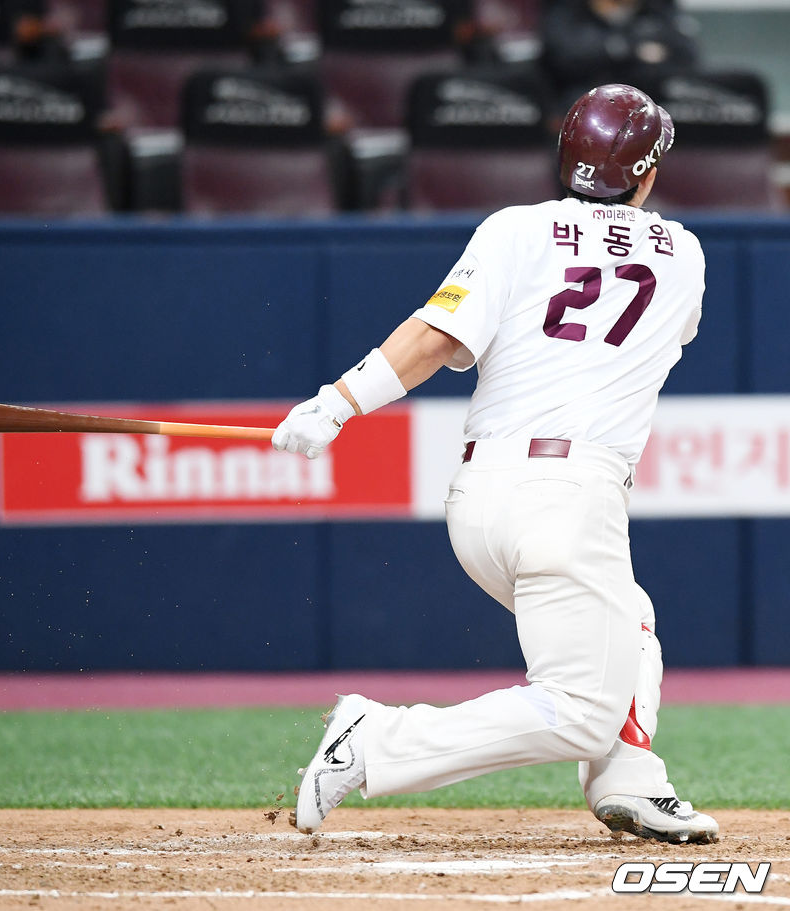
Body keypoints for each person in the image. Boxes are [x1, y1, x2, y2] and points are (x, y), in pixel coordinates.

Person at [272, 83, 719, 845]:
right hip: (571, 502)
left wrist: (336, 403)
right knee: (580, 707)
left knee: (630, 623)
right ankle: (374, 741)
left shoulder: (514, 229)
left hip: (479, 502)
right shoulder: (685, 254)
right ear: (644, 171)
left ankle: (631, 782)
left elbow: (439, 340)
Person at [541, 0, 700, 114]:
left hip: (646, 106)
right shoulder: (568, 9)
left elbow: (687, 57)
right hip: (580, 104)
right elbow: (564, 57)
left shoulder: (658, 9)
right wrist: (630, 50)